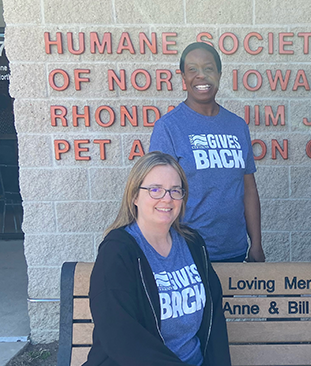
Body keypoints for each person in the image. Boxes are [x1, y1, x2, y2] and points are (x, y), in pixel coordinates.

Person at [84, 151, 231, 366]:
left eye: (175, 190)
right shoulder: (117, 252)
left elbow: (214, 320)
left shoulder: (193, 244)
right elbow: (120, 336)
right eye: (155, 190)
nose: (167, 199)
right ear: (134, 196)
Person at [150, 42, 264, 262]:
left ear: (219, 75)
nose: (201, 76)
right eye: (192, 69)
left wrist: (256, 244)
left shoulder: (237, 126)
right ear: (183, 77)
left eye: (208, 68)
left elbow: (249, 188)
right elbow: (157, 196)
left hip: (235, 250)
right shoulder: (169, 128)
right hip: (186, 251)